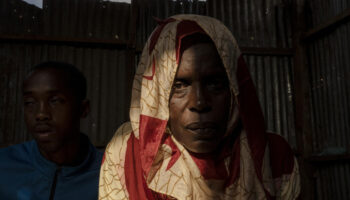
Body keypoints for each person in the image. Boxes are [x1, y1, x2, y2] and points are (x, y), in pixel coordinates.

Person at [99, 14, 300, 199]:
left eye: (215, 83)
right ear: (157, 95)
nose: (199, 103)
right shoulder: (126, 155)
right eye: (179, 85)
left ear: (234, 88)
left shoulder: (273, 155)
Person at [0, 61, 103, 200]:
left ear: (83, 109)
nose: (41, 114)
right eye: (30, 102)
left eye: (55, 101)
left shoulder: (109, 175)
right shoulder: (4, 166)